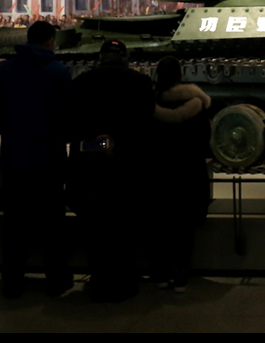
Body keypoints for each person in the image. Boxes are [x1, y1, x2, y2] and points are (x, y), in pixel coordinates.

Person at [67, 41, 205, 302]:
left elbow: (71, 124)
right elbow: (145, 126)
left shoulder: (82, 81)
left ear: (100, 57)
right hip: (127, 165)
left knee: (95, 229)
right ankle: (125, 283)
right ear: (124, 58)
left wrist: (99, 144)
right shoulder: (139, 82)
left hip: (91, 167)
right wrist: (118, 144)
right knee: (125, 229)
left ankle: (99, 281)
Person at [0, 20, 73, 299]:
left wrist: (12, 132)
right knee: (52, 226)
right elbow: (67, 114)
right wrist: (57, 136)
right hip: (49, 160)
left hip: (14, 159)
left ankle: (12, 282)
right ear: (50, 41)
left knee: (14, 227)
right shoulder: (59, 72)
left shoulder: (4, 71)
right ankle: (57, 281)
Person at [145, 56, 213, 293]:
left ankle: (160, 274)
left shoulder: (151, 103)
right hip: (188, 171)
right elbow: (205, 138)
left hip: (159, 172)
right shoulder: (196, 103)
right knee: (184, 225)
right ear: (181, 75)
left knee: (159, 224)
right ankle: (181, 274)